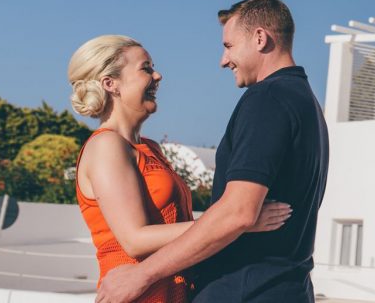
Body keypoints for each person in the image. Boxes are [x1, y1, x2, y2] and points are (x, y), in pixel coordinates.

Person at [96, 0, 330, 303]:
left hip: (247, 292)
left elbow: (238, 212)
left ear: (260, 38)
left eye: (229, 46)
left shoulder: (268, 99)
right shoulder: (306, 102)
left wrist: (142, 275)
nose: (223, 60)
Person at [68, 35, 292, 303]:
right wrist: (232, 223)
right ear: (110, 84)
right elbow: (134, 239)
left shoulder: (151, 149)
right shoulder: (106, 145)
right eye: (146, 68)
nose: (158, 76)